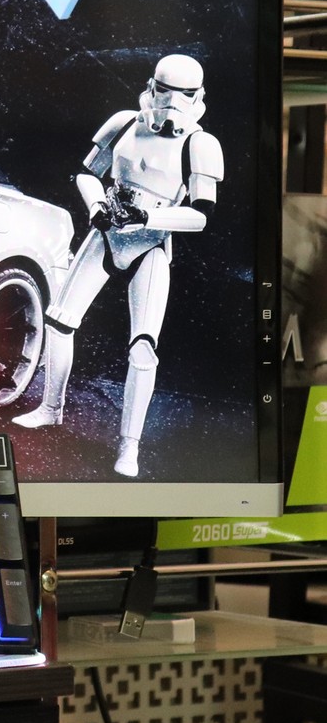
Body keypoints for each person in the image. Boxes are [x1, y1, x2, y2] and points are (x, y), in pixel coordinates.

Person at [12, 55, 223, 477]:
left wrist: (147, 218)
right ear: (151, 87)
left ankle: (130, 446)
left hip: (150, 244)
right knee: (59, 321)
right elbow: (87, 173)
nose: (171, 103)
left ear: (198, 96)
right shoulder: (125, 123)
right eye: (165, 91)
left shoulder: (200, 144)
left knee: (143, 347)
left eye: (183, 95)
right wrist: (96, 206)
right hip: (106, 232)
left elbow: (201, 215)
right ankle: (51, 408)